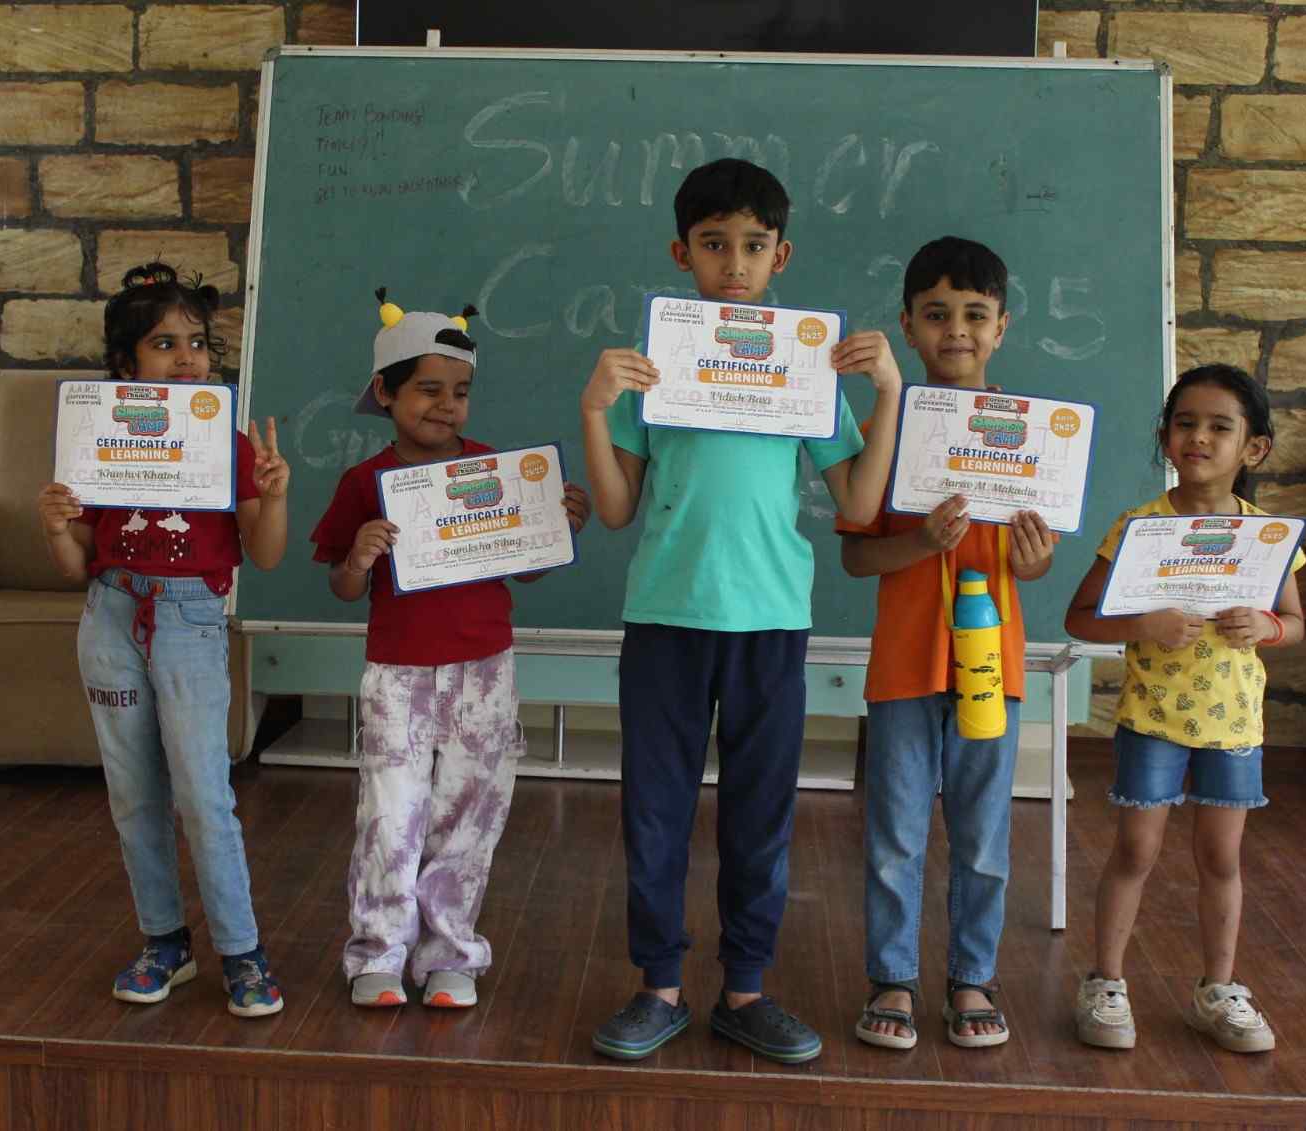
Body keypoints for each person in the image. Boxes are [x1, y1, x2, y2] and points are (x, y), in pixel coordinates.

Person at [581, 157, 903, 1064]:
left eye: (753, 247)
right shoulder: (655, 368)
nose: (734, 263)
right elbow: (613, 508)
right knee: (656, 811)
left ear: (782, 256)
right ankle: (658, 986)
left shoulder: (806, 371)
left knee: (760, 813)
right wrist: (594, 409)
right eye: (715, 245)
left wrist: (891, 394)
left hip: (769, 621)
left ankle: (748, 989)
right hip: (667, 620)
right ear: (681, 253)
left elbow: (859, 505)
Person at [311, 294, 591, 1009]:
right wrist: (360, 556)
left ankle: (450, 954)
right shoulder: (363, 482)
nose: (446, 406)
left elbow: (526, 565)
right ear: (386, 393)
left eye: (460, 392)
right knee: (390, 810)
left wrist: (559, 527)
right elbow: (342, 586)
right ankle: (377, 952)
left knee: (472, 811)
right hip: (398, 673)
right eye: (428, 390)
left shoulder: (495, 469)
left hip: (484, 668)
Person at [37, 261, 289, 1018]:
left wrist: (273, 495)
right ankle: (164, 941)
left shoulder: (228, 439)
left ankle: (242, 950)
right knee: (133, 792)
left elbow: (266, 553)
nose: (188, 360)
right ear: (125, 365)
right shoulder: (99, 439)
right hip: (111, 615)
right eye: (164, 344)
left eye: (199, 343)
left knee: (204, 794)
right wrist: (54, 524)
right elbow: (79, 561)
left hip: (189, 620)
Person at [839, 236, 1056, 1051]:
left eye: (974, 314)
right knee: (895, 832)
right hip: (902, 663)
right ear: (907, 324)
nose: (955, 330)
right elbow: (858, 553)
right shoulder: (886, 428)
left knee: (984, 833)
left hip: (990, 668)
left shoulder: (1029, 438)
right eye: (936, 315)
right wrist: (922, 540)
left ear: (1002, 327)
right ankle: (892, 977)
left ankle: (972, 976)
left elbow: (1029, 560)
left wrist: (1035, 563)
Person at [1066, 363, 1305, 1054]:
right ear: (1165, 437)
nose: (1199, 436)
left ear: (1252, 448)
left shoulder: (1268, 535)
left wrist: (1267, 628)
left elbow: (1294, 622)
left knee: (1220, 857)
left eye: (1219, 426)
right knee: (1136, 848)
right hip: (1153, 719)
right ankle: (1105, 980)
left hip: (1233, 724)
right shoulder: (1139, 527)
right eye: (1185, 423)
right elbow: (1081, 615)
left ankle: (1218, 988)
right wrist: (1141, 623)